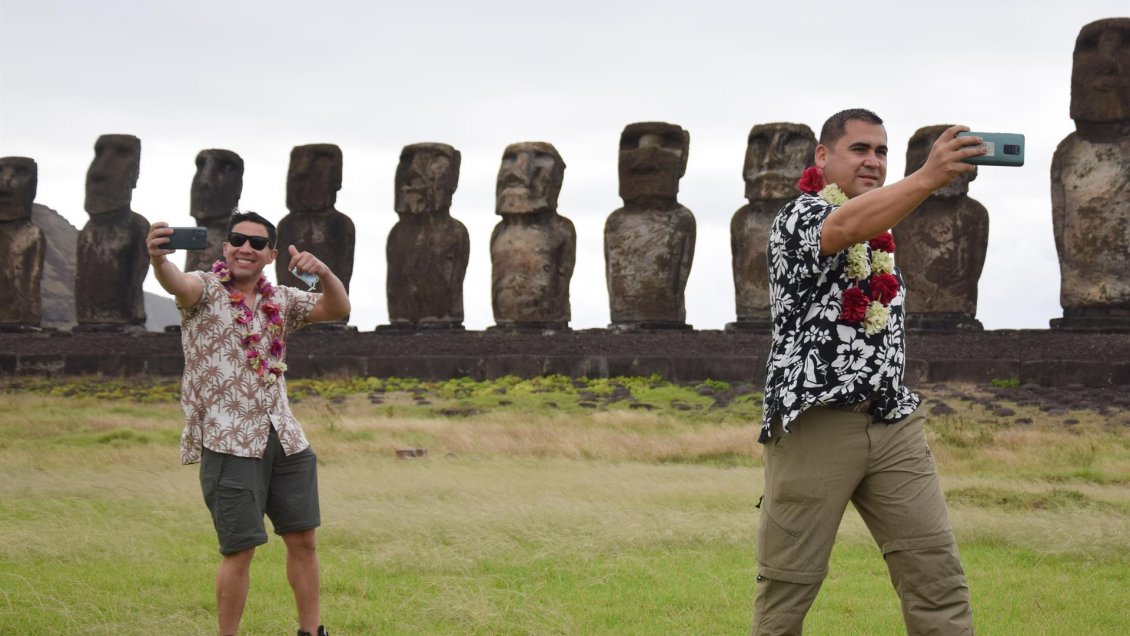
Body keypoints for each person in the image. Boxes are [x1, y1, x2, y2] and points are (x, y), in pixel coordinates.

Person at [755, 108, 985, 635]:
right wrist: (928, 176)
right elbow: (841, 227)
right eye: (860, 149)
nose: (874, 161)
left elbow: (866, 221)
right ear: (822, 156)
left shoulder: (880, 233)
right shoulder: (799, 217)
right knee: (789, 585)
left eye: (882, 151)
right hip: (817, 424)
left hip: (892, 423)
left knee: (936, 573)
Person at [147, 210, 349, 636]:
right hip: (228, 440)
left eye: (258, 243)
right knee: (240, 550)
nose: (246, 248)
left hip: (286, 438)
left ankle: (312, 632)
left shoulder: (282, 300)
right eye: (238, 239)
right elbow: (175, 284)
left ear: (271, 254)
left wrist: (325, 272)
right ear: (225, 247)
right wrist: (159, 260)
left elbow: (337, 307)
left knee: (304, 539)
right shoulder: (204, 289)